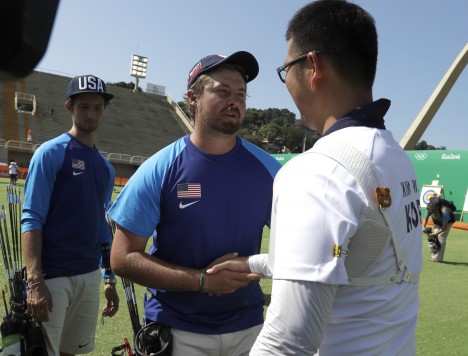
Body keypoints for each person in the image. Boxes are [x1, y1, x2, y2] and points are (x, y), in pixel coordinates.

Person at [208, 1, 423, 355]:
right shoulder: (395, 155)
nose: (286, 82)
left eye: (285, 69)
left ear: (312, 67)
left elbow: (289, 340)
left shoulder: (317, 170)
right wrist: (253, 264)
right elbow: (355, 259)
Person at [108, 51, 281, 356]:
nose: (234, 101)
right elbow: (122, 258)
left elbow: (300, 246)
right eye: (222, 91)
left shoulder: (270, 170)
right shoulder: (160, 168)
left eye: (241, 94)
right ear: (193, 98)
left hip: (250, 328)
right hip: (178, 328)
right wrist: (201, 281)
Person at [21, 74, 119, 356]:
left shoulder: (105, 168)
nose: (91, 113)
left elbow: (102, 227)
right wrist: (35, 281)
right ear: (69, 108)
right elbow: (31, 219)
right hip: (52, 277)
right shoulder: (51, 153)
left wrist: (108, 277)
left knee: (70, 353)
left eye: (98, 107)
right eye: (84, 106)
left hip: (88, 275)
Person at [424, 195, 455, 262]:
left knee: (441, 237)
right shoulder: (429, 208)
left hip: (448, 222)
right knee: (435, 238)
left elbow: (444, 227)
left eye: (433, 211)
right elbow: (426, 218)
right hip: (438, 221)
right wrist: (423, 227)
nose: (432, 213)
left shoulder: (445, 211)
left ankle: (439, 259)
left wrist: (436, 233)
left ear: (437, 208)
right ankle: (434, 257)